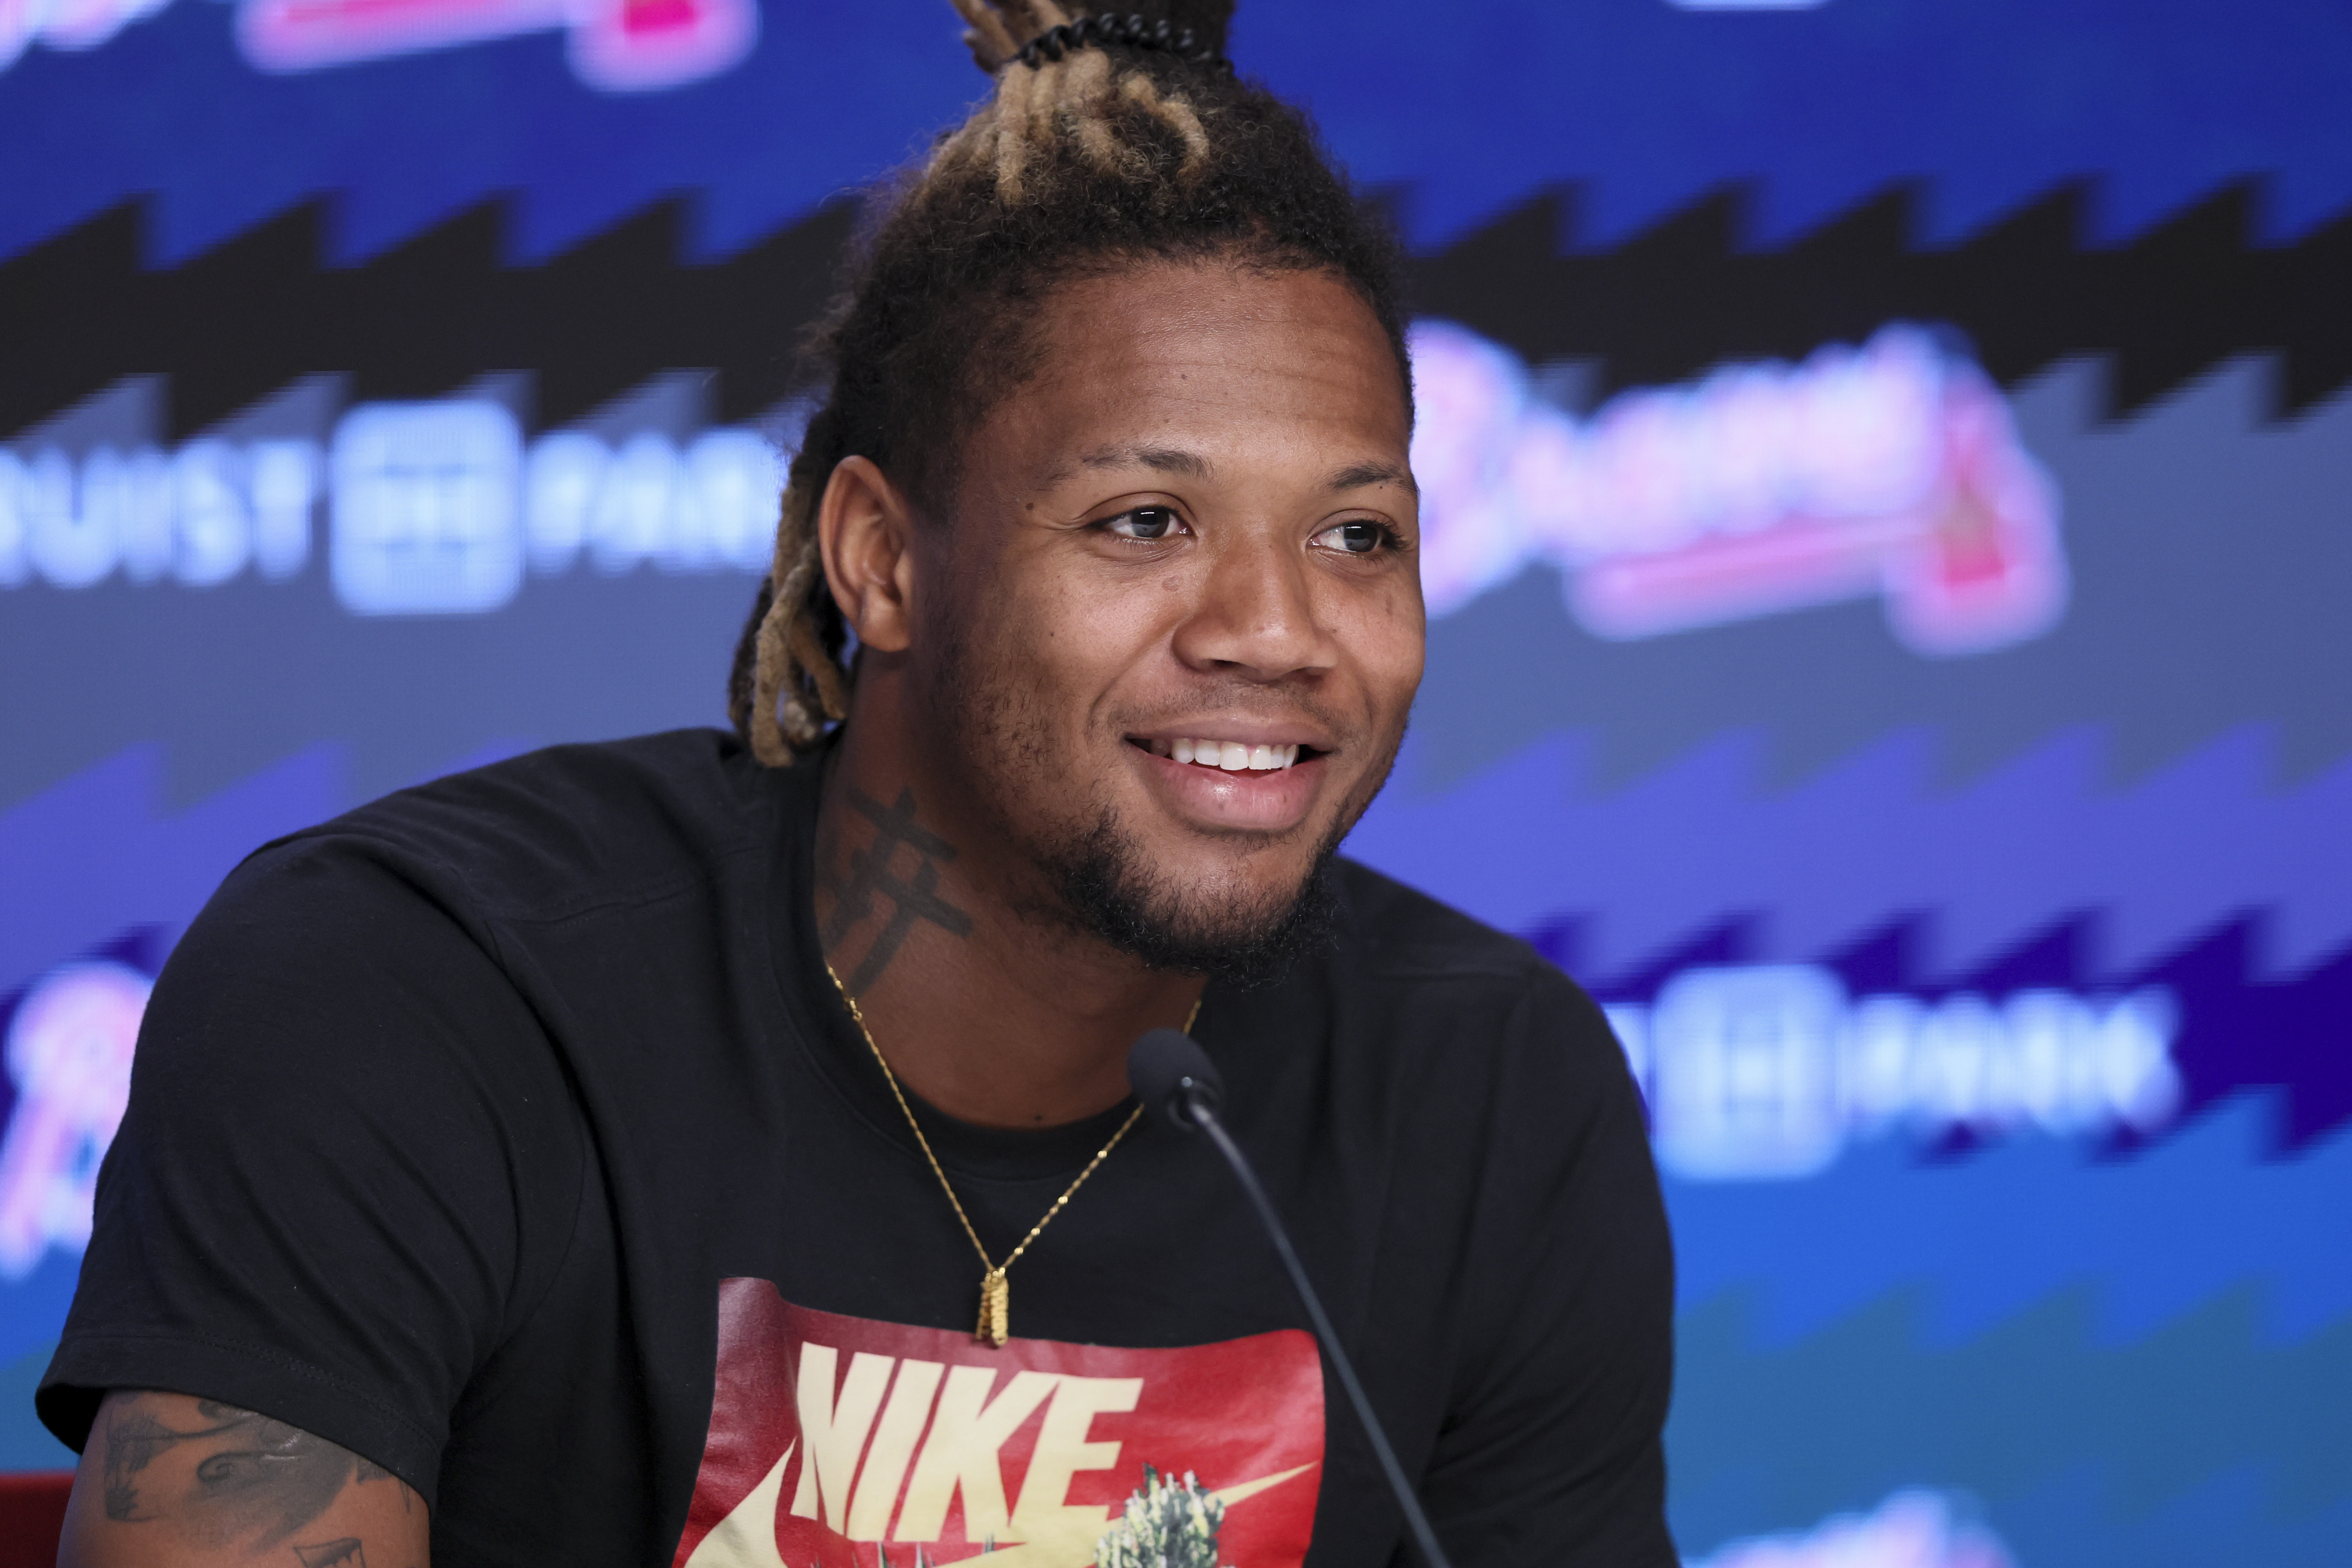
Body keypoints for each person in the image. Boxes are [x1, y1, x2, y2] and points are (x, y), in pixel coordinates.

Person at [40, 3, 1677, 1564]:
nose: (1277, 632)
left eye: (1355, 537)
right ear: (882, 561)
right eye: (1143, 523)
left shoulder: (1489, 1093)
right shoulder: (411, 990)